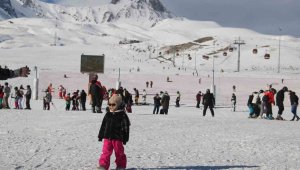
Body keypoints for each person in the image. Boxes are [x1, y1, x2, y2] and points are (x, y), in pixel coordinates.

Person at [97, 94, 131, 170]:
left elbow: (126, 128)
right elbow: (103, 125)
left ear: (118, 104)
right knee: (105, 152)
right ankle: (103, 165)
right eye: (109, 104)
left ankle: (121, 165)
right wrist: (100, 135)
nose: (111, 106)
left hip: (117, 138)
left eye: (113, 104)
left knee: (119, 152)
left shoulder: (122, 115)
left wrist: (125, 138)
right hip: (107, 138)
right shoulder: (108, 114)